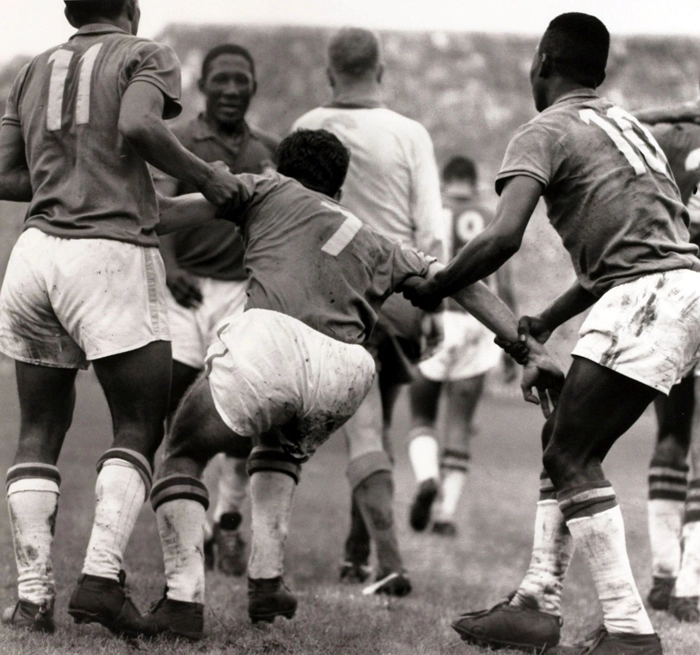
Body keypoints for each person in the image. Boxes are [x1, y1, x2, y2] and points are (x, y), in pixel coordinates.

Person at [136, 128, 564, 641]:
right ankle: (267, 585)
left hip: (274, 340)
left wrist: (128, 160)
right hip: (348, 369)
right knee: (277, 447)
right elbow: (459, 285)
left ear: (281, 170)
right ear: (339, 192)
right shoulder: (374, 238)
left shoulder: (265, 188)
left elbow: (161, 214)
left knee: (182, 450)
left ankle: (181, 602)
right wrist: (528, 349)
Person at [404, 13, 700, 655]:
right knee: (561, 433)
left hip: (645, 298)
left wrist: (436, 285)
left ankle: (629, 632)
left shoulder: (543, 129)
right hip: (675, 288)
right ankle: (536, 600)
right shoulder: (625, 125)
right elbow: (637, 245)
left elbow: (504, 235)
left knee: (571, 454)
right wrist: (549, 319)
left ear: (541, 62)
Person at [0, 0, 240, 637]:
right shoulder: (145, 53)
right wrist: (207, 178)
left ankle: (30, 599)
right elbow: (138, 125)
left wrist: (76, 171)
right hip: (107, 260)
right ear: (131, 9)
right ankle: (101, 581)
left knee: (39, 429)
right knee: (138, 422)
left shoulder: (30, 70)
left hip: (34, 257)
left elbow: (4, 173)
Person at [292, 27, 445, 594]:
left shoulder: (305, 127)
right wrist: (433, 306)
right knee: (375, 421)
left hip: (330, 295)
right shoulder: (410, 134)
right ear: (381, 71)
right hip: (397, 294)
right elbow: (430, 230)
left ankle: (380, 558)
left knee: (364, 432)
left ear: (331, 74)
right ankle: (366, 555)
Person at [154, 42, 279, 577]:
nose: (230, 89)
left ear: (253, 86)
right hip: (184, 294)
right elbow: (151, 210)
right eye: (220, 79)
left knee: (242, 414)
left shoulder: (267, 150)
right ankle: (197, 531)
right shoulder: (178, 142)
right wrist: (171, 268)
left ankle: (228, 521)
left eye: (240, 80)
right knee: (179, 414)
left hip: (241, 295)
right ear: (203, 87)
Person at [406, 155, 517, 537]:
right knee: (461, 423)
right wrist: (512, 342)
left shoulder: (431, 213)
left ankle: (426, 478)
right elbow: (505, 285)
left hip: (437, 319)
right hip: (477, 324)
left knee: (421, 416)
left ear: (445, 180)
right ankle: (446, 514)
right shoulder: (490, 217)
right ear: (473, 181)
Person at [639, 121, 700, 623]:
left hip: (675, 293)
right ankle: (689, 585)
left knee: (672, 435)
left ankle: (663, 573)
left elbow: (619, 120)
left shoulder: (669, 140)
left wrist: (679, 109)